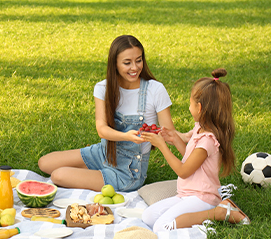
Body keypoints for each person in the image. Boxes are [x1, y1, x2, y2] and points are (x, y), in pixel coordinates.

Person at [38, 35, 174, 191]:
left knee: (58, 176)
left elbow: (167, 132)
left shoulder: (155, 89)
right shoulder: (103, 88)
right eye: (127, 63)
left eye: (138, 60)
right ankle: (97, 174)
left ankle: (97, 176)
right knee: (44, 163)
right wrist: (125, 136)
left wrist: (185, 137)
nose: (135, 68)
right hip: (104, 153)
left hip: (128, 172)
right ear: (114, 63)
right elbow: (101, 129)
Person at [141, 69, 248, 232]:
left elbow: (184, 171)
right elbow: (192, 161)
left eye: (190, 103)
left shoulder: (207, 141)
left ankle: (218, 212)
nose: (189, 106)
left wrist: (162, 146)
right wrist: (175, 139)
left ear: (199, 107)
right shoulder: (200, 128)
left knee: (162, 227)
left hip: (202, 197)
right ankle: (216, 210)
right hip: (187, 194)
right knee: (148, 217)